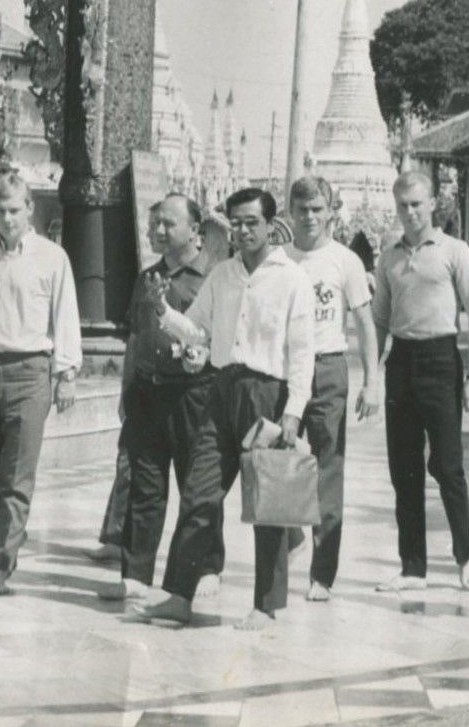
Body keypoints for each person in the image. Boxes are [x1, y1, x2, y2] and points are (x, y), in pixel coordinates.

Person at [142, 187, 317, 632]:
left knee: (267, 503)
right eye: (235, 223)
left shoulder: (291, 278)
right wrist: (161, 307)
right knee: (200, 493)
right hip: (220, 390)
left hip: (268, 395)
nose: (241, 231)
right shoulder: (221, 275)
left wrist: (293, 411)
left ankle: (266, 604)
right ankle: (180, 595)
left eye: (251, 222)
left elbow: (302, 352)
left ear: (271, 226)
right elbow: (195, 330)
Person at [0, 167, 83, 595]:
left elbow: (64, 316)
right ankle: (10, 532)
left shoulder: (53, 257)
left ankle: (2, 560)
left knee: (16, 475)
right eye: (0, 210)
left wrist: (66, 373)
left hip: (31, 370)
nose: (7, 218)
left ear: (30, 209)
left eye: (14, 210)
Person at [372, 169, 469, 594]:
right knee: (404, 471)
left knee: (448, 466)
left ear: (433, 203)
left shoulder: (455, 251)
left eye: (417, 204)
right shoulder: (388, 257)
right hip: (401, 362)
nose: (410, 212)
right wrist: (371, 373)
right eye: (402, 205)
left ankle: (465, 556)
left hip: (442, 360)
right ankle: (412, 567)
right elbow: (379, 318)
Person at [103, 194, 217, 605]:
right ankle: (135, 573)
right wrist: (125, 390)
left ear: (194, 230)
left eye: (168, 224)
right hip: (147, 393)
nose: (159, 231)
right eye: (155, 225)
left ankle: (206, 565)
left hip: (192, 393)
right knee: (145, 484)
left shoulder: (210, 279)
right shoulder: (147, 277)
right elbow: (135, 336)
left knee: (196, 484)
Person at [283, 175, 381, 600]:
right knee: (276, 463)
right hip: (285, 371)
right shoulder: (279, 259)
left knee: (327, 471)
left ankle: (322, 575)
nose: (309, 218)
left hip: (328, 370)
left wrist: (371, 381)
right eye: (302, 210)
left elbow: (364, 323)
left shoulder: (345, 261)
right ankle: (290, 540)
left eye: (317, 210)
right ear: (290, 213)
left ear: (330, 213)